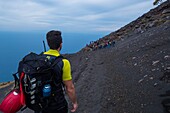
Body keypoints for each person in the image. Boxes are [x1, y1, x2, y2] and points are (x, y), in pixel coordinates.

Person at [42, 30, 78, 113]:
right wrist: (74, 102)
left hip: (41, 103)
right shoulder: (64, 62)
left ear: (48, 43)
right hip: (57, 104)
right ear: (61, 44)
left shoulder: (39, 59)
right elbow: (70, 88)